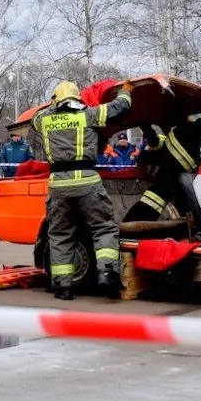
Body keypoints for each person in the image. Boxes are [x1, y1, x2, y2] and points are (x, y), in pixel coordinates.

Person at [30, 79, 133, 300]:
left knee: (59, 234)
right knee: (103, 228)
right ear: (78, 98)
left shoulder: (43, 120)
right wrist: (125, 92)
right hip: (87, 182)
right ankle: (106, 274)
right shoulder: (89, 115)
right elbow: (119, 109)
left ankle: (63, 286)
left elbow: (36, 117)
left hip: (58, 186)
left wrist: (54, 105)